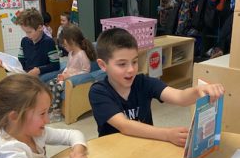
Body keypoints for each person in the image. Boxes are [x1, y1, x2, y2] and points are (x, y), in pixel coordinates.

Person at [89, 28, 225, 146]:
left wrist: (198, 90)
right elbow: (125, 125)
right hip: (114, 151)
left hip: (146, 146)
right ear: (102, 65)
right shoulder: (99, 91)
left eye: (135, 61)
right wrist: (167, 134)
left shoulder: (143, 82)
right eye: (122, 64)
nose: (131, 69)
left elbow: (180, 97)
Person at [0, 8, 60, 82]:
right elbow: (20, 63)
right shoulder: (24, 41)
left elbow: (55, 65)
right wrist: (5, 65)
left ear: (40, 28)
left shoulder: (49, 42)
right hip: (27, 77)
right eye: (25, 32)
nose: (27, 35)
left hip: (42, 79)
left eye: (29, 32)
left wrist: (39, 70)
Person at [49, 25, 96, 122]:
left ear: (72, 41)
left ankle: (56, 112)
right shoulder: (71, 53)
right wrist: (63, 73)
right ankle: (53, 105)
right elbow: (68, 66)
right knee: (50, 83)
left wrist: (69, 76)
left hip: (72, 81)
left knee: (56, 88)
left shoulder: (81, 54)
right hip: (65, 78)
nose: (64, 47)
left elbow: (85, 71)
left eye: (65, 45)